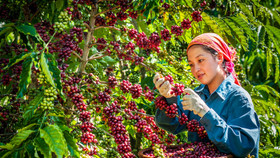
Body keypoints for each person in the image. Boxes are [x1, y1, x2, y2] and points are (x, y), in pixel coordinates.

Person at [153, 33, 260, 157]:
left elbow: (243, 146)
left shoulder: (238, 97)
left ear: (219, 58)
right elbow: (173, 124)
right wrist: (169, 97)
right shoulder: (198, 94)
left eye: (200, 60)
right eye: (191, 64)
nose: (196, 69)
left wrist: (205, 112)